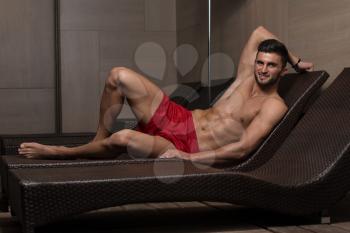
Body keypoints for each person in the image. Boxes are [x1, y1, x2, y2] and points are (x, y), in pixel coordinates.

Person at [19, 26, 313, 164]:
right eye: (260, 62)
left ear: (281, 71)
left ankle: (61, 153)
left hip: (190, 144)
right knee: (117, 76)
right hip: (179, 116)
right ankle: (97, 142)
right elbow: (260, 32)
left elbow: (242, 149)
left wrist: (186, 156)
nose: (262, 69)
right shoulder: (246, 77)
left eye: (271, 65)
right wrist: (297, 60)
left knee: (123, 139)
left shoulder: (274, 106)